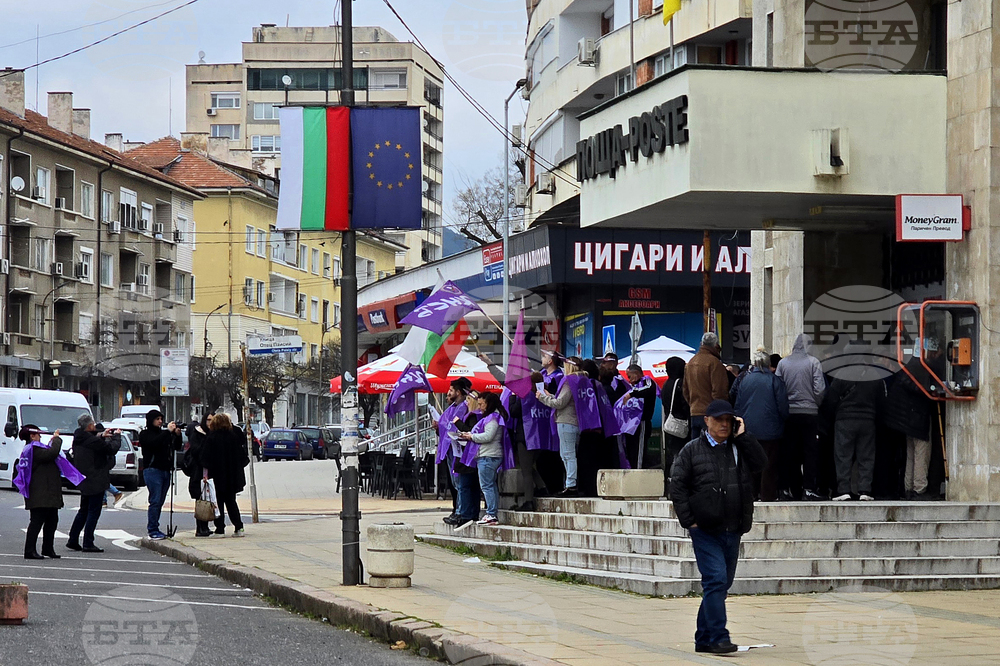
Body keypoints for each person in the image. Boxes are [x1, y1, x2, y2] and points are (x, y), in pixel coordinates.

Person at [669, 400, 767, 655]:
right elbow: (677, 486)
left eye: (729, 420)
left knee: (721, 583)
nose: (724, 425)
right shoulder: (691, 450)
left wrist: (745, 437)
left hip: (733, 527)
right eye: (719, 420)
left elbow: (761, 464)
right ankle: (719, 637)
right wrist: (689, 520)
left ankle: (703, 638)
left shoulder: (738, 447)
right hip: (705, 529)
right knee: (715, 579)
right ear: (707, 421)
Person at [822, 345, 887, 501]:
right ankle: (865, 490)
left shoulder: (842, 373)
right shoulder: (873, 373)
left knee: (843, 455)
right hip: (867, 421)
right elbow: (882, 401)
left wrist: (827, 419)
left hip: (844, 420)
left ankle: (844, 489)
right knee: (866, 456)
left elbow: (831, 398)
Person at [883, 338, 944, 500]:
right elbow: (923, 391)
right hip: (917, 417)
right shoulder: (923, 367)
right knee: (921, 453)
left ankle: (908, 487)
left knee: (911, 452)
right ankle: (919, 489)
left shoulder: (908, 365)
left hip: (905, 420)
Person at [775, 334, 827, 500]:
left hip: (789, 414)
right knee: (810, 452)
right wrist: (814, 404)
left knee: (789, 452)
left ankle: (788, 488)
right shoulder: (813, 362)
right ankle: (809, 488)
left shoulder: (783, 363)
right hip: (809, 413)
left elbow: (778, 388)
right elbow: (819, 389)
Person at [734, 348, 789, 501]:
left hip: (749, 428)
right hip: (771, 429)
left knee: (751, 462)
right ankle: (767, 495)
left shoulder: (744, 380)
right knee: (769, 464)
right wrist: (783, 420)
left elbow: (738, 405)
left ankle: (751, 493)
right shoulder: (774, 380)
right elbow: (782, 406)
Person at [17, 426, 77, 559]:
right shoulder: (32, 449)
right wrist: (56, 440)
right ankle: (29, 550)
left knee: (52, 520)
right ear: (32, 436)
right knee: (37, 521)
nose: (40, 437)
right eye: (38, 434)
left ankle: (48, 548)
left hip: (47, 492)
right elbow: (51, 454)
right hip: (40, 493)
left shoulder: (36, 448)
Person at [68, 414, 122, 553]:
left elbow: (91, 440)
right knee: (93, 512)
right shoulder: (92, 441)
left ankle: (73, 539)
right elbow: (111, 449)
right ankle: (88, 542)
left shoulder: (79, 437)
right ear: (90, 426)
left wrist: (101, 435)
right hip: (96, 478)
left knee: (83, 511)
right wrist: (116, 437)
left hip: (84, 478)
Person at [537, 356, 587, 496]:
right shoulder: (582, 380)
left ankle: (571, 485)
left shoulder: (569, 380)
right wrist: (550, 395)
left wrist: (542, 398)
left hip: (567, 421)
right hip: (576, 421)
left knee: (568, 454)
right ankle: (570, 483)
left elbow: (560, 403)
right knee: (569, 453)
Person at [459, 392, 509, 526]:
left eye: (482, 404)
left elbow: (488, 436)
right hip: (488, 456)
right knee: (489, 485)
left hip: (489, 456)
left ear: (489, 404)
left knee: (487, 486)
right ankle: (491, 513)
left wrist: (471, 436)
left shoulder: (493, 418)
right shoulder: (493, 417)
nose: (480, 407)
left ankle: (492, 514)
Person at [201, 413, 249, 536]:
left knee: (218, 502)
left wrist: (206, 473)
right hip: (232, 476)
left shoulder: (211, 438)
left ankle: (220, 529)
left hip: (217, 475)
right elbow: (243, 458)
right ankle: (239, 527)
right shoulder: (233, 437)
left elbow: (205, 458)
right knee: (231, 502)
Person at [137, 409, 183, 540]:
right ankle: (152, 529)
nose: (160, 421)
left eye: (161, 419)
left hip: (165, 470)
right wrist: (168, 431)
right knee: (155, 500)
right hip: (152, 470)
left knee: (160, 500)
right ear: (151, 420)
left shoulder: (164, 434)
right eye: (157, 419)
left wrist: (177, 435)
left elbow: (176, 447)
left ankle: (155, 526)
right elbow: (153, 443)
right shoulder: (145, 434)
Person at [435, 378, 472, 526]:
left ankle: (460, 512)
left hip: (459, 449)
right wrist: (438, 427)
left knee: (460, 483)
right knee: (455, 483)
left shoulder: (465, 407)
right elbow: (445, 429)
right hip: (449, 449)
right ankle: (457, 510)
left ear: (458, 392)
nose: (447, 393)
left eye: (450, 390)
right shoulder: (451, 408)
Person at [683, 332, 731, 440]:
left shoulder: (690, 362)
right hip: (712, 414)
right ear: (715, 346)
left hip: (694, 412)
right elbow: (719, 391)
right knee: (713, 449)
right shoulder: (715, 363)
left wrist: (693, 404)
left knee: (696, 449)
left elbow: (685, 390)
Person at [660, 356, 690, 493]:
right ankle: (676, 483)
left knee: (673, 456)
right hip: (680, 425)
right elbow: (684, 405)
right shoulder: (680, 384)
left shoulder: (666, 384)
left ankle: (670, 482)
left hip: (669, 426)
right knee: (680, 456)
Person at [622, 364, 657, 469]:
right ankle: (632, 469)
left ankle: (639, 471)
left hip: (642, 421)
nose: (629, 380)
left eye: (629, 376)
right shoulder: (630, 386)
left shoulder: (647, 381)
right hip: (630, 423)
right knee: (631, 449)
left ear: (636, 374)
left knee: (639, 450)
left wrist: (631, 394)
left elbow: (648, 389)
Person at [184, 414, 213, 536]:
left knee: (209, 499)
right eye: (208, 420)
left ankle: (205, 526)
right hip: (198, 471)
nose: (210, 423)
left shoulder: (213, 433)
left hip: (210, 470)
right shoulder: (198, 433)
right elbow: (195, 451)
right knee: (200, 499)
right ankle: (200, 528)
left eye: (212, 420)